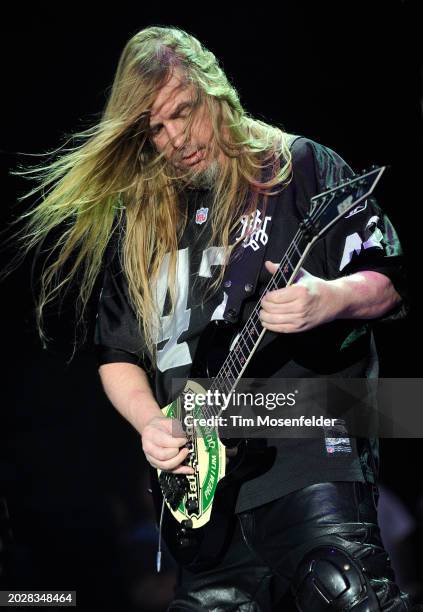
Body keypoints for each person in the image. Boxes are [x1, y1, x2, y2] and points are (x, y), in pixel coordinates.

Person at [13, 26, 419, 611]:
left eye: (184, 111)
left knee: (346, 593)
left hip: (307, 454)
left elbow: (390, 278)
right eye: (155, 128)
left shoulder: (297, 165)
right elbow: (118, 352)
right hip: (201, 502)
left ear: (216, 91)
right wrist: (150, 423)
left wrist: (327, 298)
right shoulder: (144, 222)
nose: (176, 137)